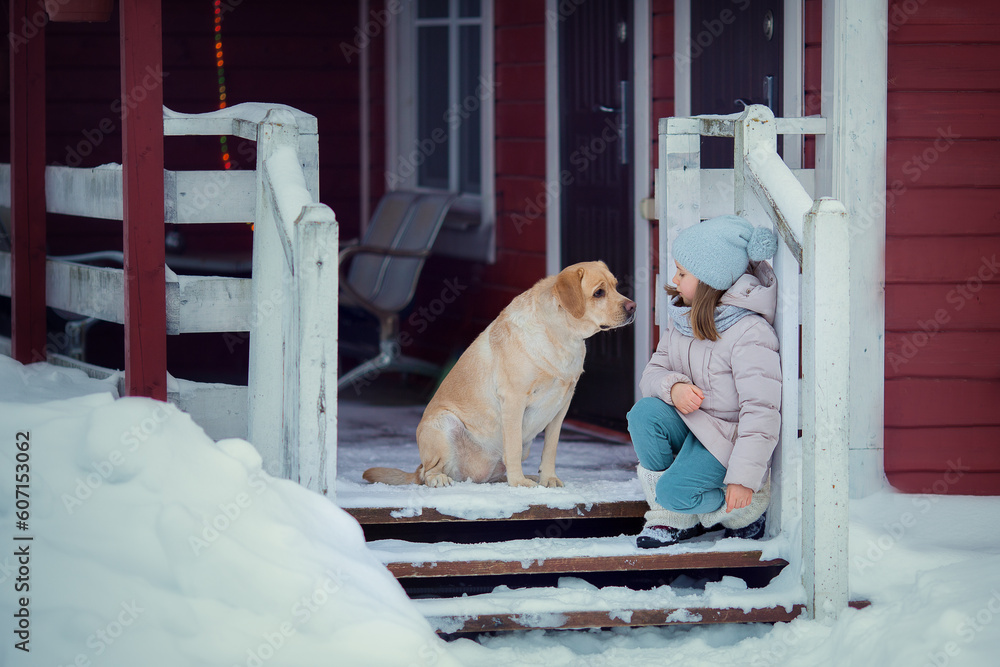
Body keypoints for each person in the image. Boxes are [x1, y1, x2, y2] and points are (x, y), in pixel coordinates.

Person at [628, 214, 781, 548]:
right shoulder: (682, 318)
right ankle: (674, 516)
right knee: (643, 413)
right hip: (694, 424)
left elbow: (761, 412)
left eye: (683, 273)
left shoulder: (750, 333)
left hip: (726, 440)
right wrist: (674, 387)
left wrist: (743, 479)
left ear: (711, 280)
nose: (674, 278)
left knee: (673, 491)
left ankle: (742, 511)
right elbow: (650, 377)